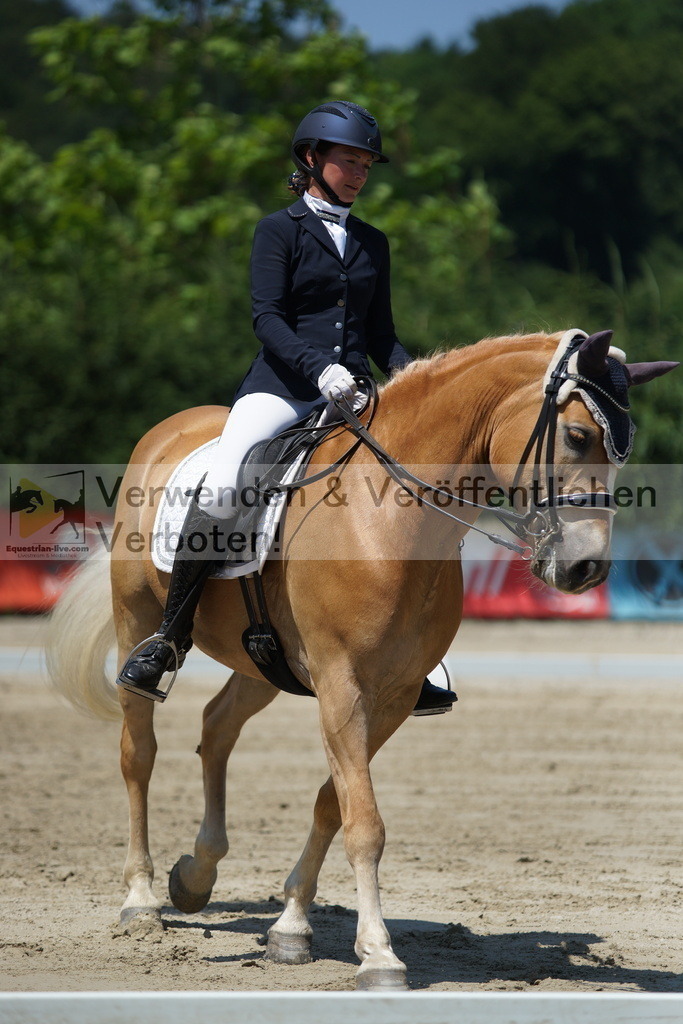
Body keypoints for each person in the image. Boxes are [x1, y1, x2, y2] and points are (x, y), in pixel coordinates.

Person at [117, 100, 457, 716]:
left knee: (414, 488)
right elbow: (267, 319)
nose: (358, 173)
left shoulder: (373, 243)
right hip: (281, 387)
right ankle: (170, 638)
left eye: (365, 165)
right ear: (311, 159)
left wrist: (414, 381)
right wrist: (316, 368)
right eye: (347, 161)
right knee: (223, 486)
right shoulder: (279, 229)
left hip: (353, 393)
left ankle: (420, 655)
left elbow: (380, 334)